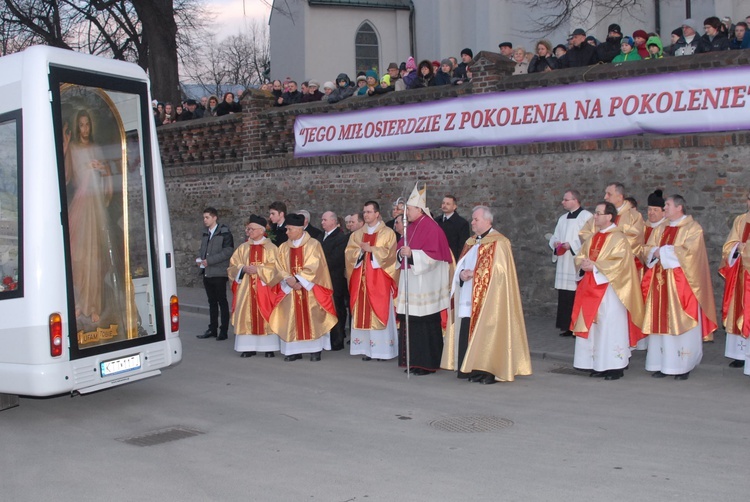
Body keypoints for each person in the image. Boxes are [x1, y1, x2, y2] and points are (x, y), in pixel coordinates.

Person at [442, 206, 532, 383]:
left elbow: (500, 273)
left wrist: (475, 274)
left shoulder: (500, 242)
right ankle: (468, 368)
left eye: (476, 219)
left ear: (488, 221)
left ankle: (487, 371)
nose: (472, 222)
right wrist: (461, 275)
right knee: (467, 328)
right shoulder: (470, 242)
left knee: (487, 331)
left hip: (489, 298)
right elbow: (460, 266)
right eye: (473, 219)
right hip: (468, 295)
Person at [641, 195, 718, 380]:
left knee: (681, 323)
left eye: (667, 205)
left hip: (682, 286)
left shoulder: (693, 229)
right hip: (660, 284)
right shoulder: (661, 227)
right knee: (660, 323)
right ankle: (662, 363)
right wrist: (653, 252)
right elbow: (646, 248)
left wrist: (663, 252)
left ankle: (684, 365)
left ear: (679, 207)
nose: (664, 208)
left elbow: (691, 254)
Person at [570, 202, 644, 380]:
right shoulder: (594, 237)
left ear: (609, 216)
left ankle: (615, 366)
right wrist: (583, 264)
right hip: (592, 287)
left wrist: (595, 266)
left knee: (610, 326)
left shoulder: (619, 238)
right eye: (595, 213)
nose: (594, 217)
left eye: (598, 213)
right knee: (596, 327)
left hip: (611, 290)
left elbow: (620, 263)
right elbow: (581, 254)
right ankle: (598, 364)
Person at [396, 183, 453, 375]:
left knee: (425, 326)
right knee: (411, 324)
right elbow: (399, 251)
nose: (406, 213)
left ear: (419, 209)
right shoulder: (410, 227)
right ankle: (413, 361)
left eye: (409, 209)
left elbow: (435, 257)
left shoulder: (431, 228)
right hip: (411, 283)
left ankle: (427, 363)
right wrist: (402, 253)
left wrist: (413, 254)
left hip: (425, 285)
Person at [267, 213, 337, 361]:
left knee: (313, 318)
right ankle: (294, 351)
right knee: (290, 318)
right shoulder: (284, 247)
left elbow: (315, 265)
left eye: (289, 229)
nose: (286, 232)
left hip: (310, 288)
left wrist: (298, 279)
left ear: (299, 229)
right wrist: (288, 279)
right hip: (290, 289)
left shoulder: (313, 244)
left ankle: (315, 350)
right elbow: (278, 266)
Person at [345, 201, 399, 361]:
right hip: (361, 281)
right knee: (362, 311)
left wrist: (372, 250)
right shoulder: (356, 234)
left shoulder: (387, 233)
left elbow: (390, 255)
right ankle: (367, 349)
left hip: (379, 281)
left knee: (380, 311)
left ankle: (383, 351)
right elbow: (349, 253)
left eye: (369, 212)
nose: (366, 215)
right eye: (364, 212)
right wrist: (360, 252)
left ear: (377, 214)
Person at [227, 215, 280, 358]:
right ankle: (247, 347)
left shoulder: (271, 248)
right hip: (246, 289)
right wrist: (243, 268)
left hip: (265, 289)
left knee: (266, 314)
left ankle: (269, 347)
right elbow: (233, 266)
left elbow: (277, 268)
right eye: (248, 229)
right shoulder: (243, 248)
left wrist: (259, 270)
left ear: (261, 230)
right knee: (246, 314)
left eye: (251, 229)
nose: (248, 231)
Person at [549, 190, 593, 337]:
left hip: (576, 260)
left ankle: (577, 326)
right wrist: (555, 243)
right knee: (565, 295)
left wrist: (572, 245)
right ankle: (566, 326)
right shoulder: (562, 218)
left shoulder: (586, 217)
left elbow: (589, 238)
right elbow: (555, 235)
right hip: (564, 261)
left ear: (575, 200)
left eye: (566, 200)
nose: (563, 202)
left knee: (576, 294)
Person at [718, 192, 750, 373]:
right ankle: (739, 355)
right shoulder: (741, 220)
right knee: (738, 309)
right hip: (740, 275)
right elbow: (728, 245)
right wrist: (737, 249)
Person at [196, 207, 235, 340]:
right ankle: (212, 328)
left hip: (219, 273)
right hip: (207, 272)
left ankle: (223, 330)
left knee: (222, 301)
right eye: (204, 218)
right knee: (211, 302)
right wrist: (200, 260)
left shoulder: (224, 233)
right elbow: (203, 249)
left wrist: (209, 261)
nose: (205, 220)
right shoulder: (206, 233)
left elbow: (228, 251)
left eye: (207, 217)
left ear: (214, 218)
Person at [318, 210, 349, 351]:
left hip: (334, 279)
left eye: (325, 220)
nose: (322, 222)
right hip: (321, 279)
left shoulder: (341, 238)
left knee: (336, 308)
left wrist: (317, 266)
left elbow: (336, 259)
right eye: (322, 220)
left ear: (333, 221)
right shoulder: (320, 236)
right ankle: (325, 338)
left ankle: (337, 340)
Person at [435, 194, 470, 262]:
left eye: (448, 204)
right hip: (438, 260)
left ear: (454, 207)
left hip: (453, 260)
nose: (444, 206)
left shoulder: (462, 223)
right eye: (443, 203)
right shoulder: (436, 221)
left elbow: (463, 246)